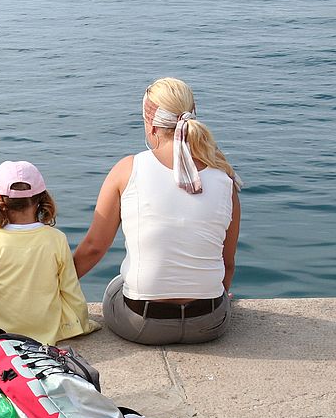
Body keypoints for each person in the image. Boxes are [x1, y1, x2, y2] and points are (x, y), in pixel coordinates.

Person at [73, 77, 242, 345]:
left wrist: (52, 291)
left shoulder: (128, 169)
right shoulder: (225, 179)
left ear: (150, 123)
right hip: (208, 323)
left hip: (142, 323)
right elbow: (227, 263)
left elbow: (94, 248)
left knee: (118, 283)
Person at [0, 160, 100, 345]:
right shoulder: (56, 238)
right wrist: (82, 323)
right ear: (41, 197)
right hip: (45, 331)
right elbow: (71, 291)